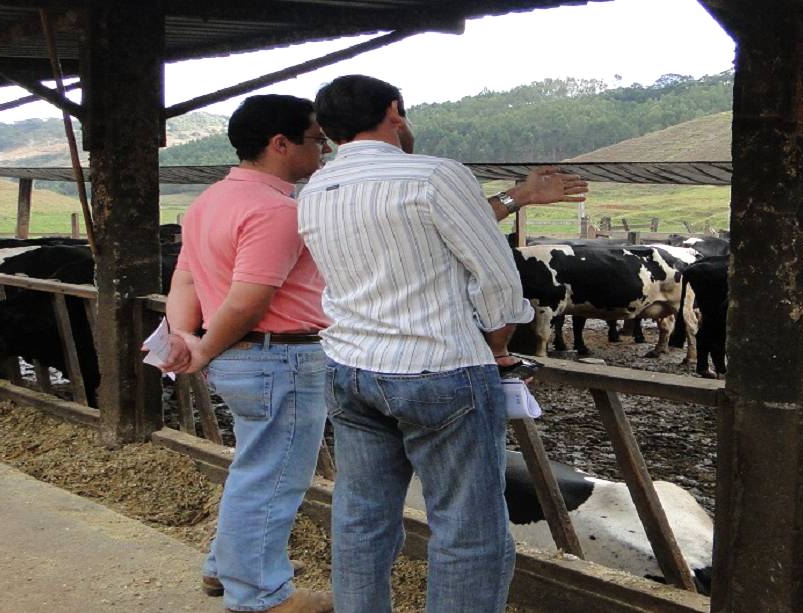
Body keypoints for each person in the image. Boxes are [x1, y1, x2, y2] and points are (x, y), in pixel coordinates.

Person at [296, 74, 587, 613]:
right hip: (440, 369)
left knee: (361, 516)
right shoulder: (435, 175)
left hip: (350, 367)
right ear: (394, 111)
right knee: (467, 528)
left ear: (329, 132)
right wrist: (499, 340)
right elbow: (499, 279)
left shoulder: (315, 190)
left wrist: (516, 194)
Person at [157, 94, 334, 613]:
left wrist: (181, 337)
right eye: (315, 140)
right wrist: (201, 347)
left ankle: (226, 567)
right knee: (276, 474)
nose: (322, 150)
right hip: (279, 356)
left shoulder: (209, 201)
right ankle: (260, 595)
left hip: (238, 360)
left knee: (255, 465)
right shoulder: (276, 211)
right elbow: (249, 300)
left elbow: (186, 276)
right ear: (281, 144)